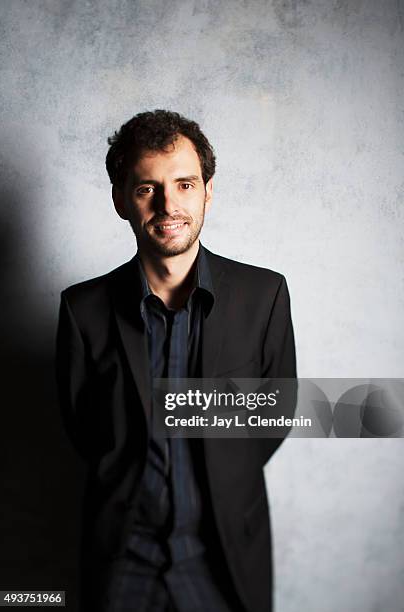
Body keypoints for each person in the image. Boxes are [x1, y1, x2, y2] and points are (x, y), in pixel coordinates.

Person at [56, 110, 297, 612]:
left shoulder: (264, 294)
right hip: (122, 563)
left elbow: (276, 414)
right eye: (147, 188)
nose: (169, 204)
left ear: (208, 191)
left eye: (185, 184)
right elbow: (85, 431)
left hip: (222, 560)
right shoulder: (82, 310)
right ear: (122, 200)